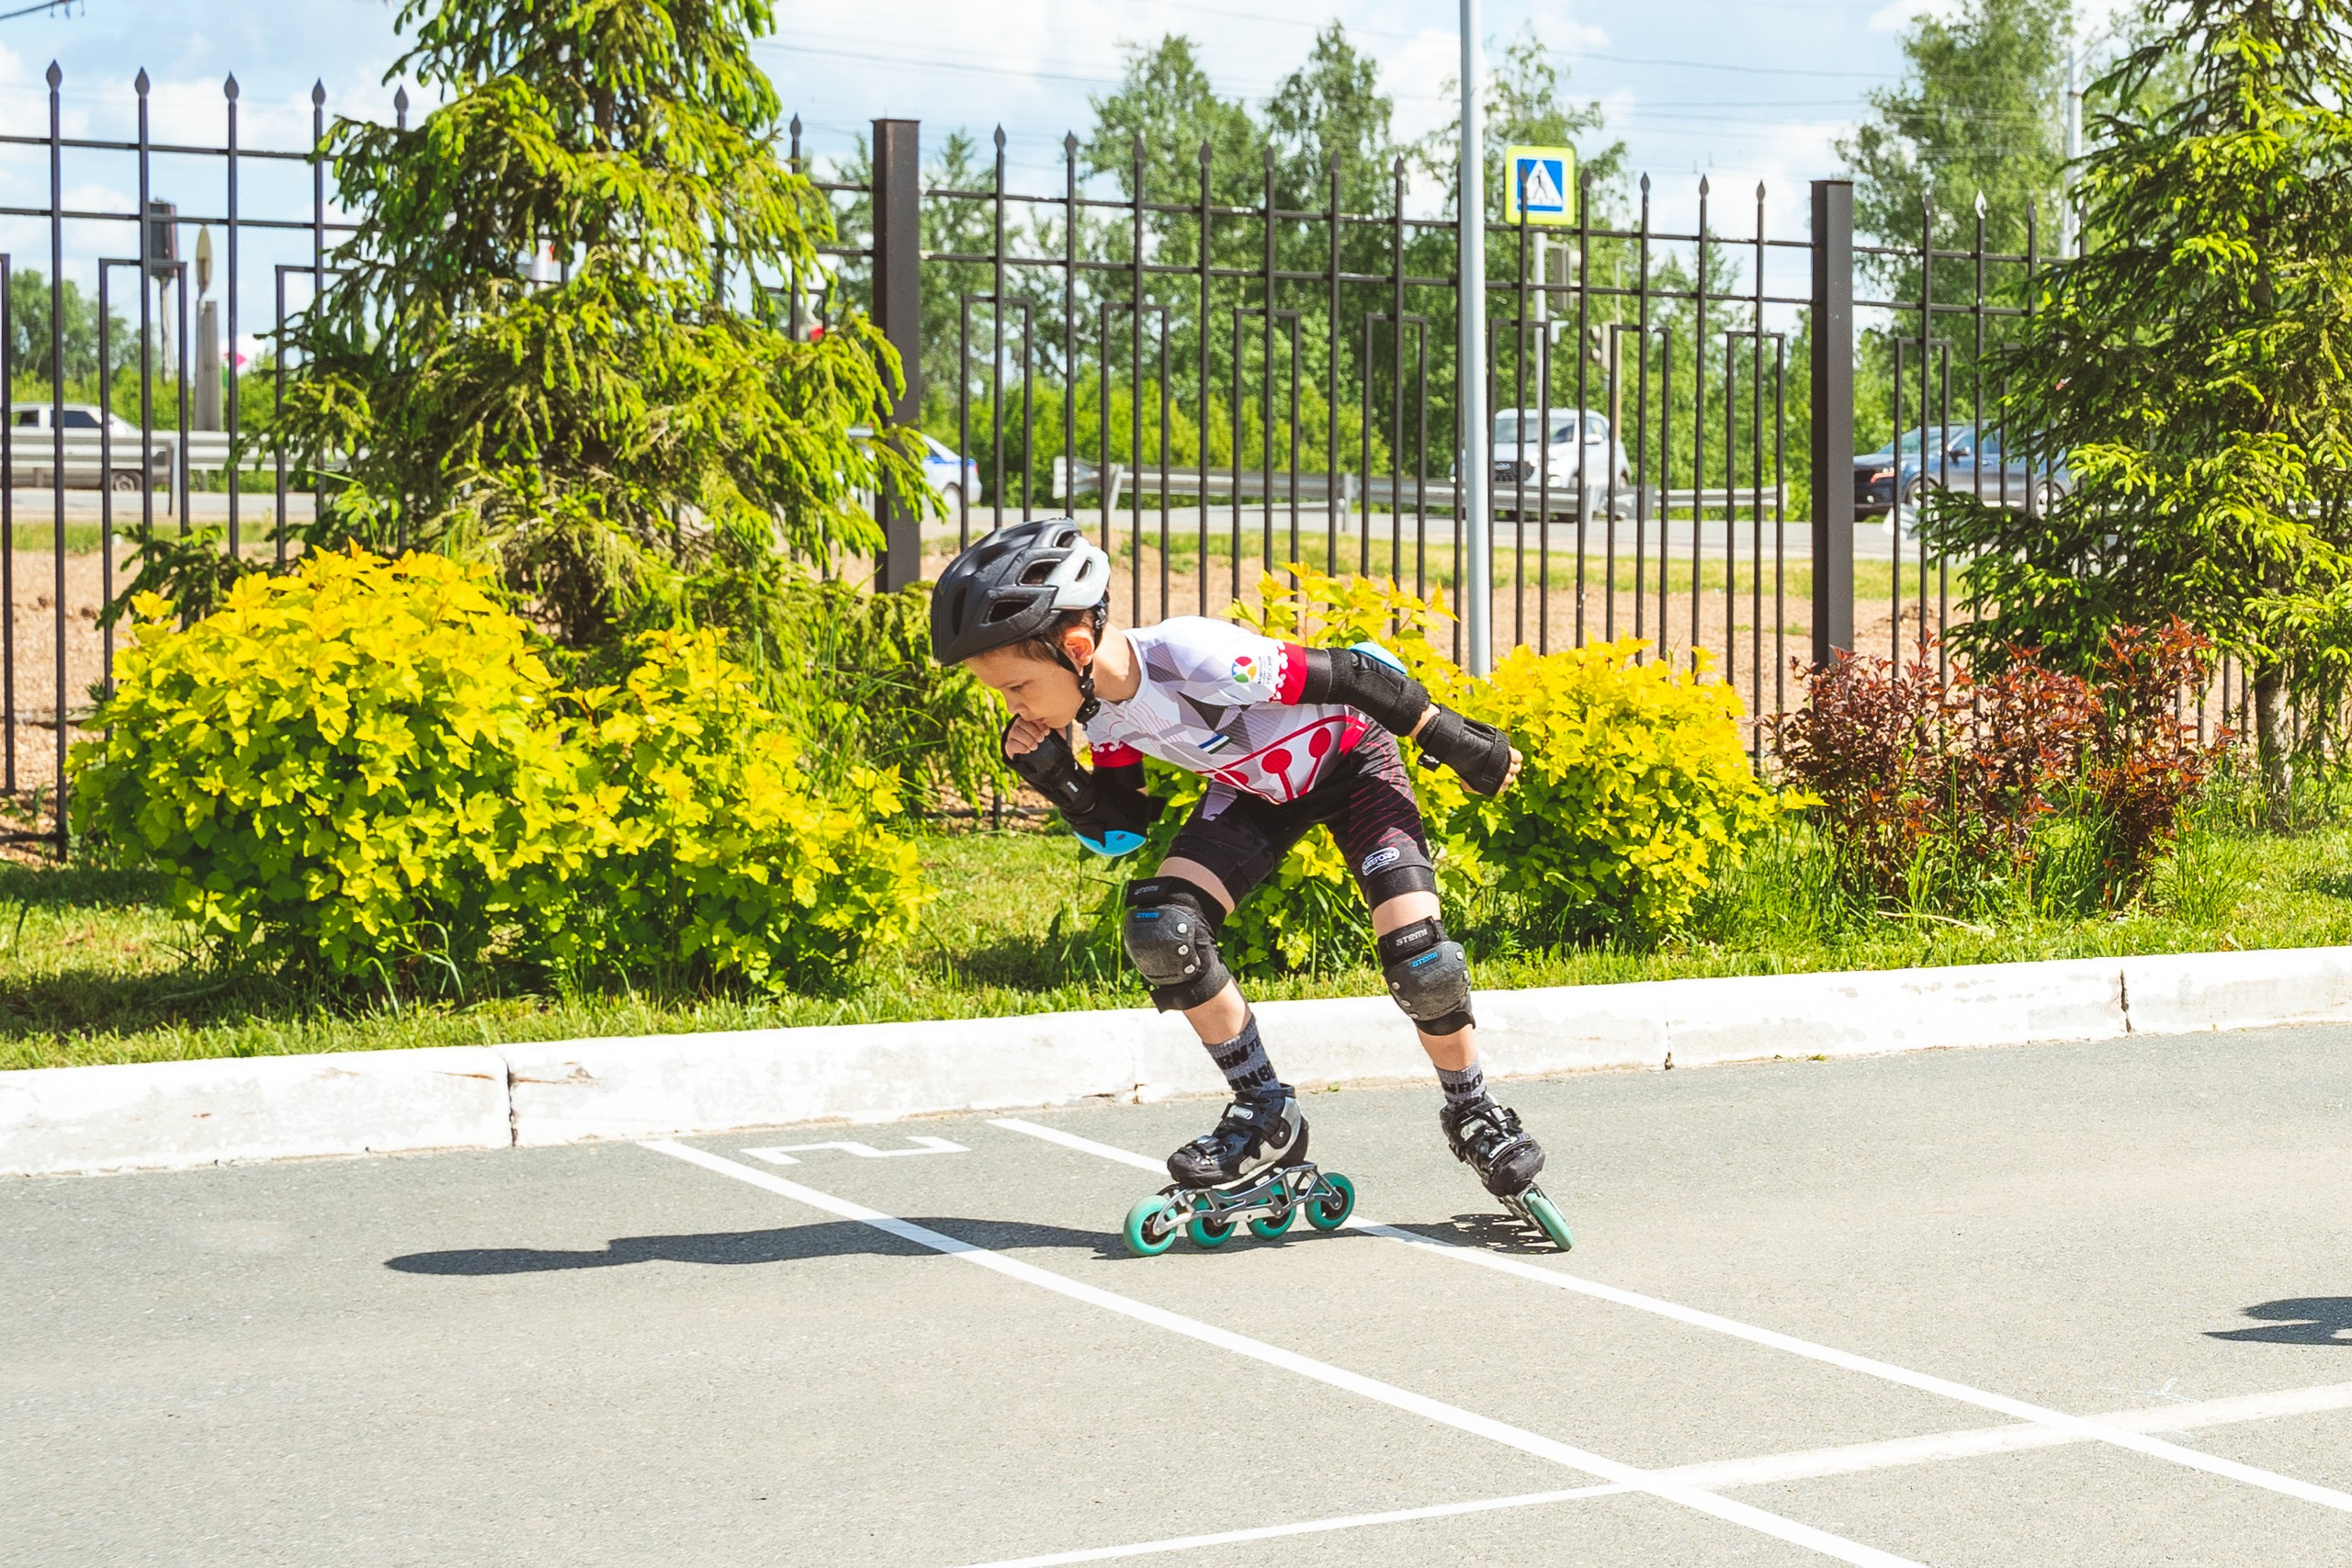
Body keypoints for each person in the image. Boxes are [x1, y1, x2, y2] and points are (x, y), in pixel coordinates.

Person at [931, 518, 1553, 1201]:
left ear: (1075, 648)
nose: (1012, 704)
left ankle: (1473, 1110)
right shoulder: (1102, 715)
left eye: (1016, 685)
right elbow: (1122, 831)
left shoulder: (1194, 657)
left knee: (1421, 960)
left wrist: (1454, 740)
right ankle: (1265, 1109)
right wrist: (1058, 778)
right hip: (1258, 792)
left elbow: (1356, 672)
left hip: (1353, 761)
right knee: (1162, 929)